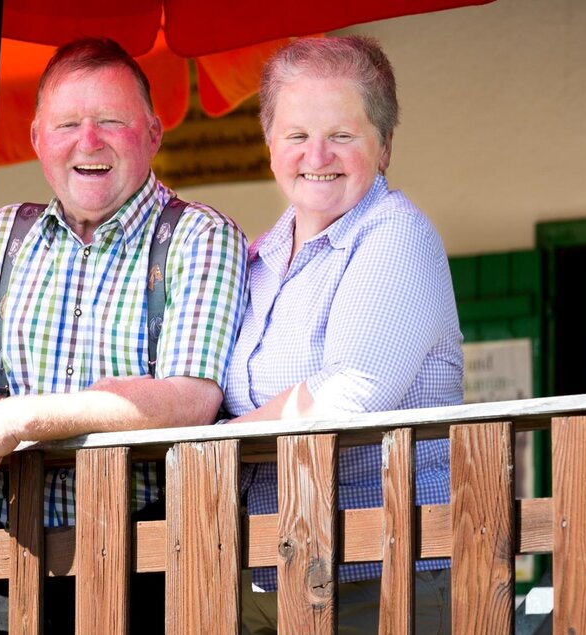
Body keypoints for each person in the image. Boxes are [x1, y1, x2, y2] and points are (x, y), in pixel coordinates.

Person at [0, 37, 248, 632]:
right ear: (38, 139)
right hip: (10, 564)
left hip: (157, 563)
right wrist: (101, 409)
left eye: (110, 121)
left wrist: (18, 421)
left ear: (153, 133)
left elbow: (188, 400)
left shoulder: (199, 237)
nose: (88, 142)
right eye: (68, 124)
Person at [222, 35, 463, 634]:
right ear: (270, 144)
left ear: (383, 146)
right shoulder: (261, 257)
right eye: (297, 135)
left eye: (343, 136)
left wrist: (212, 441)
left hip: (382, 570)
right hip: (273, 569)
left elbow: (351, 393)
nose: (316, 154)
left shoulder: (394, 236)